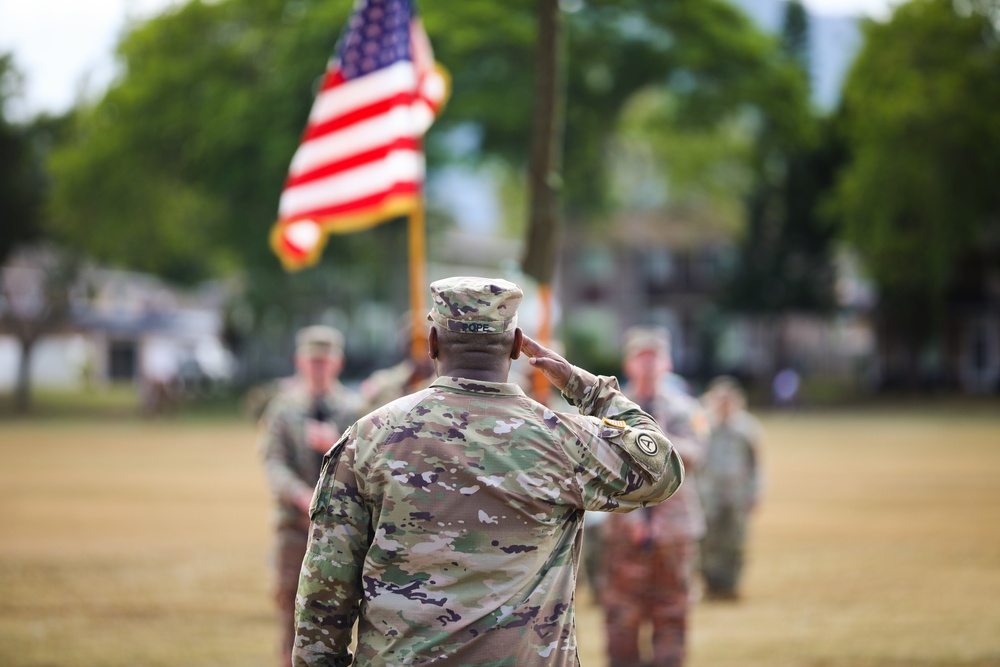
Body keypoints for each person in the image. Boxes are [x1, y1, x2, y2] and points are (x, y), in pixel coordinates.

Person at [293, 276, 685, 667]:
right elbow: (662, 467)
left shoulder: (367, 439)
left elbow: (324, 597)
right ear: (517, 346)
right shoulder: (563, 440)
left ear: (432, 342)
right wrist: (588, 390)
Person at [599, 326, 709, 667]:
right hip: (624, 531)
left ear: (668, 362)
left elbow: (697, 453)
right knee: (621, 614)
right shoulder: (608, 411)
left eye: (654, 357)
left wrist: (656, 440)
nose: (647, 365)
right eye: (640, 357)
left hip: (674, 531)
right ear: (628, 363)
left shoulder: (685, 409)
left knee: (673, 613)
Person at [258, 325, 362, 667]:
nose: (318, 367)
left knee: (341, 613)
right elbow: (273, 463)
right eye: (312, 361)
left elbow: (369, 465)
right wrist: (299, 494)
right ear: (300, 362)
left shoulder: (354, 410)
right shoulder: (283, 410)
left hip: (341, 531)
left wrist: (335, 444)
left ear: (338, 363)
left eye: (324, 361)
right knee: (291, 612)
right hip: (294, 529)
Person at [698, 376, 764, 600]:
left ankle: (731, 584)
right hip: (709, 495)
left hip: (737, 494)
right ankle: (711, 583)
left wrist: (755, 493)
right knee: (708, 541)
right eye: (720, 400)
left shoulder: (747, 428)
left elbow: (756, 465)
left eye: (728, 400)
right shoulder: (703, 426)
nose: (724, 405)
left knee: (735, 541)